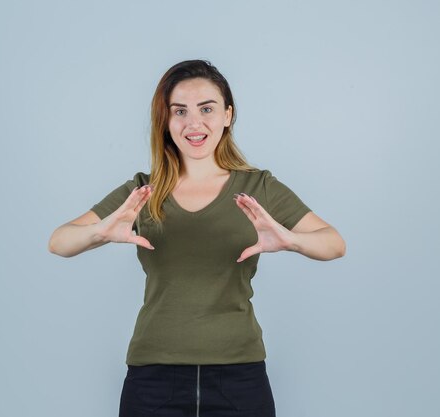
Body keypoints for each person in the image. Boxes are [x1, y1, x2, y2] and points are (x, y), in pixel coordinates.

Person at [48, 59, 345, 417]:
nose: (194, 123)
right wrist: (99, 232)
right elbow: (60, 241)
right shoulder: (142, 192)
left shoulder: (258, 187)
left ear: (227, 115)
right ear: (167, 121)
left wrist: (291, 240)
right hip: (153, 378)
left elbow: (333, 243)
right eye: (180, 111)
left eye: (207, 108)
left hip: (240, 377)